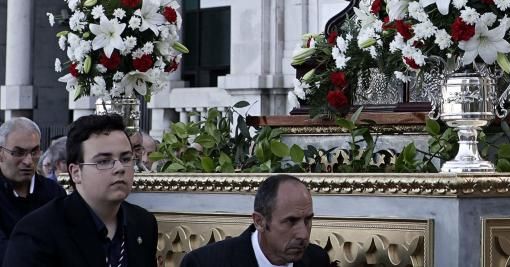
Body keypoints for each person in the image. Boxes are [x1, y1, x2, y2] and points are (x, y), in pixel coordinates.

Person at [4, 114, 158, 266]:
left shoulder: (142, 223)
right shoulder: (38, 232)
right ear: (76, 172)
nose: (119, 168)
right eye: (104, 161)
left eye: (125, 159)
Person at [180, 174, 329, 266]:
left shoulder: (317, 259)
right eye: (291, 221)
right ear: (259, 222)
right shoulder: (204, 263)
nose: (303, 234)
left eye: (307, 220)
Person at [0, 118, 66, 265]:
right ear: (1, 153)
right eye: (19, 152)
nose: (28, 161)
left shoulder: (54, 192)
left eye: (34, 151)